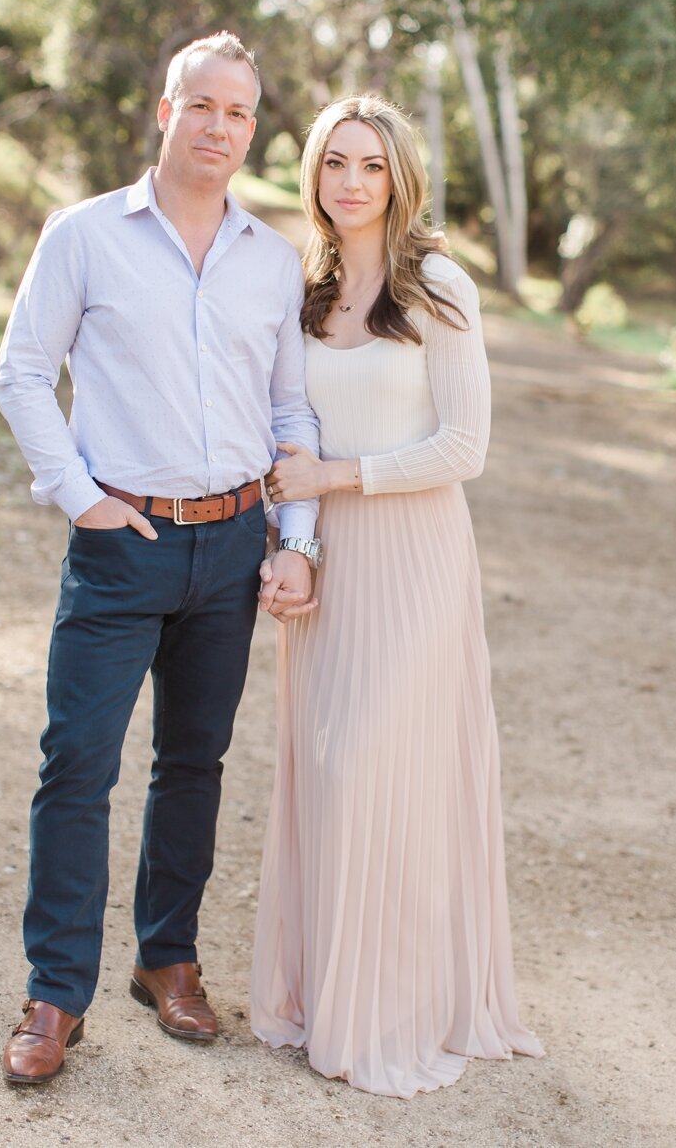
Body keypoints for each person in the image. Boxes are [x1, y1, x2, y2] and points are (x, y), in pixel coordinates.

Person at [0, 32, 321, 1086]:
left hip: (230, 545)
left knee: (195, 763)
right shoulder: (84, 236)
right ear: (164, 109)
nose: (221, 126)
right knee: (76, 764)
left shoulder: (271, 261)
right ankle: (55, 995)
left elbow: (289, 407)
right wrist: (80, 497)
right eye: (204, 105)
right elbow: (22, 371)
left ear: (251, 130)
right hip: (120, 545)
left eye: (240, 112)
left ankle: (167, 959)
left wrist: (294, 540)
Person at [250, 94, 544, 1098]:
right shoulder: (303, 287)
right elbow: (286, 433)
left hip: (415, 560)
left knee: (382, 767)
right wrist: (290, 541)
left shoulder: (441, 286)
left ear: (399, 176)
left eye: (370, 165)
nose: (351, 182)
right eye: (335, 162)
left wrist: (338, 482)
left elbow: (466, 446)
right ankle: (329, 994)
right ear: (313, 177)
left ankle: (395, 1009)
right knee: (328, 772)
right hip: (329, 567)